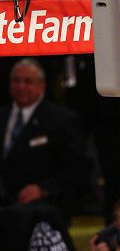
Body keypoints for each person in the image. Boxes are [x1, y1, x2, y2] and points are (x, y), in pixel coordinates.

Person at [0, 57, 89, 220]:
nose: (21, 86)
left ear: (42, 86)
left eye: (28, 82)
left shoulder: (62, 121)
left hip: (44, 210)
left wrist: (44, 189)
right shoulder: (2, 116)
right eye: (16, 81)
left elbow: (78, 168)